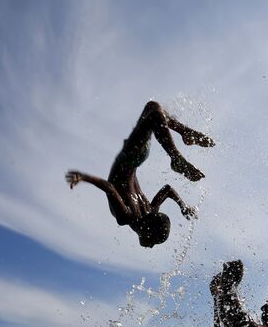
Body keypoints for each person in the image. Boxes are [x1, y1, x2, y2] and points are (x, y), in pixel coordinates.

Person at [65, 101, 214, 248]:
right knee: (153, 111)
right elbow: (109, 188)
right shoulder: (129, 216)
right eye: (153, 241)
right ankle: (176, 157)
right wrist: (83, 177)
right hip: (131, 156)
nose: (151, 247)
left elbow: (167, 190)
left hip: (137, 157)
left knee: (153, 109)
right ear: (147, 230)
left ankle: (183, 135)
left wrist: (183, 206)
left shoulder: (147, 212)